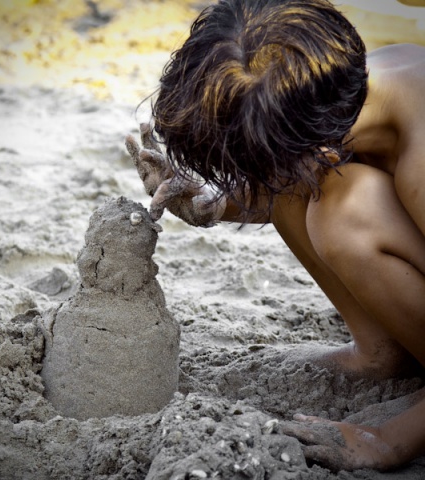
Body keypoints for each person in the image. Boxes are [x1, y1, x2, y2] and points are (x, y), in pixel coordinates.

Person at [125, 0, 425, 472]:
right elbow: (289, 180)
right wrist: (213, 202)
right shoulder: (337, 91)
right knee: (309, 192)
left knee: (348, 211)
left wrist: (389, 439)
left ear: (320, 147)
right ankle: (381, 354)